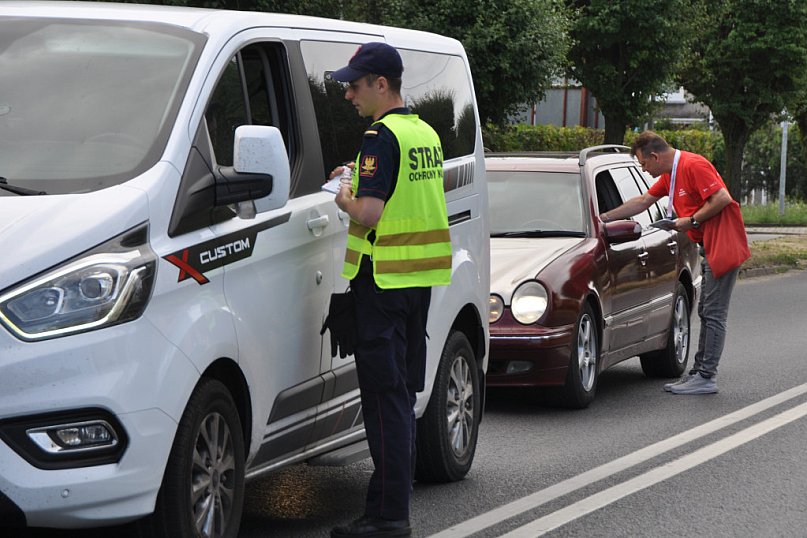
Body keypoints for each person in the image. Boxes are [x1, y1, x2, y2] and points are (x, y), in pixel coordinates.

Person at [327, 42, 452, 538]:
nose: (348, 95)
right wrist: (355, 173)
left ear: (382, 85)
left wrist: (344, 198)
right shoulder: (423, 132)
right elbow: (403, 191)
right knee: (400, 394)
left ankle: (387, 515)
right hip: (416, 281)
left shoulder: (379, 136)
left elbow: (371, 212)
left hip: (381, 284)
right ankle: (392, 505)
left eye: (355, 86)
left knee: (385, 401)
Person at [600, 131, 750, 395]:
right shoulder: (671, 174)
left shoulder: (693, 165)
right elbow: (643, 201)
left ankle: (706, 376)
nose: (644, 170)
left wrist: (690, 221)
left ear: (655, 156)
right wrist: (603, 218)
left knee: (714, 313)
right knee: (706, 311)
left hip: (723, 244)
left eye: (644, 164)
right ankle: (700, 373)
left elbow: (722, 198)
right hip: (709, 245)